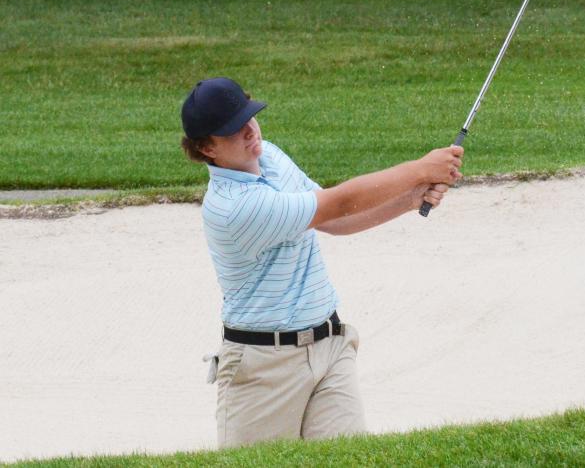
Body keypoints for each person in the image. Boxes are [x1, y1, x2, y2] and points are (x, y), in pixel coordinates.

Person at [179, 76, 463, 447]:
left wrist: (408, 200)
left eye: (250, 117)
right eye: (234, 129)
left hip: (329, 348)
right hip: (263, 369)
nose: (250, 130)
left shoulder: (271, 157)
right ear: (206, 149)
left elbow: (330, 220)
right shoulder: (233, 207)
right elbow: (339, 202)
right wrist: (421, 169)